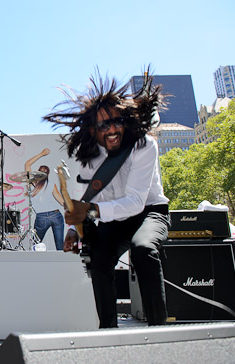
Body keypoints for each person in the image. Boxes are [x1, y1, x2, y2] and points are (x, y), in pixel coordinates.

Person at [44, 70, 170, 328]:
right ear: (93, 130)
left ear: (127, 121)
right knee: (99, 259)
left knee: (144, 249)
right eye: (103, 125)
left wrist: (90, 211)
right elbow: (82, 199)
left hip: (149, 211)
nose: (111, 129)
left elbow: (135, 201)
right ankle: (108, 332)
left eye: (117, 121)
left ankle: (159, 330)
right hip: (111, 218)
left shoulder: (144, 145)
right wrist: (73, 230)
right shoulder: (89, 156)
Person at [24, 148, 65, 250]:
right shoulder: (51, 184)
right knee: (60, 247)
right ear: (48, 175)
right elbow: (62, 201)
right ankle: (61, 265)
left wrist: (42, 154)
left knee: (35, 246)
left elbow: (27, 164)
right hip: (56, 215)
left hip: (41, 217)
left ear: (38, 173)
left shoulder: (33, 183)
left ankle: (35, 264)